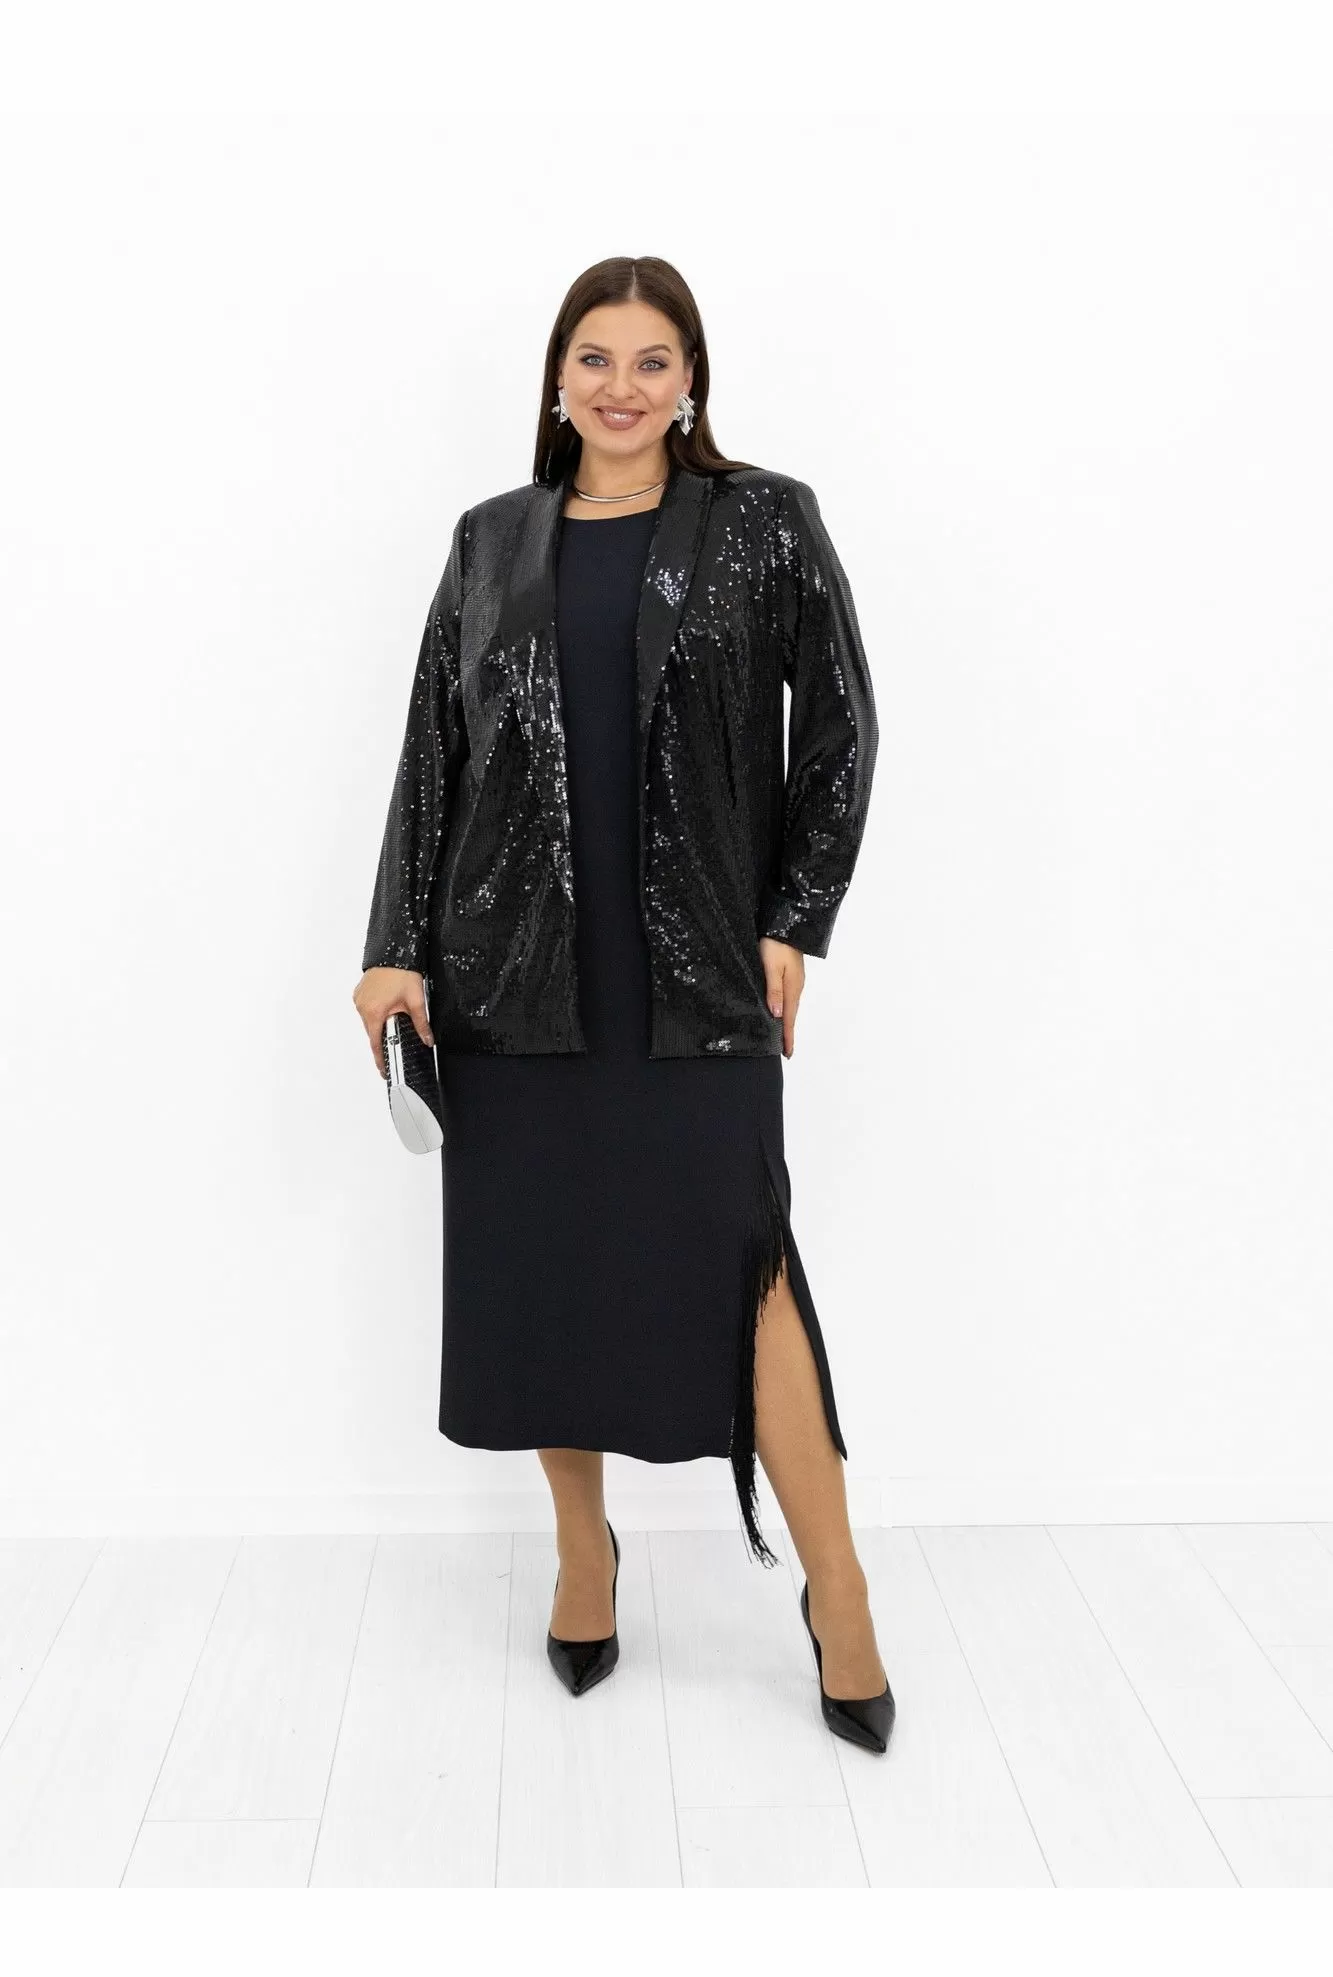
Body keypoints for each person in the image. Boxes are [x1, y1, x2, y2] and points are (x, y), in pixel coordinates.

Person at [353, 256, 894, 1752]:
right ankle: (582, 1556)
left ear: (691, 380)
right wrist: (395, 945)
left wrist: (796, 919)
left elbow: (842, 726)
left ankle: (839, 1586)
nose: (623, 386)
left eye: (654, 361)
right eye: (597, 357)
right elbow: (432, 754)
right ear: (557, 376)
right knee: (546, 1271)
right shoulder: (492, 542)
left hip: (699, 973)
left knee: (749, 1269)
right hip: (508, 979)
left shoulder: (763, 523)